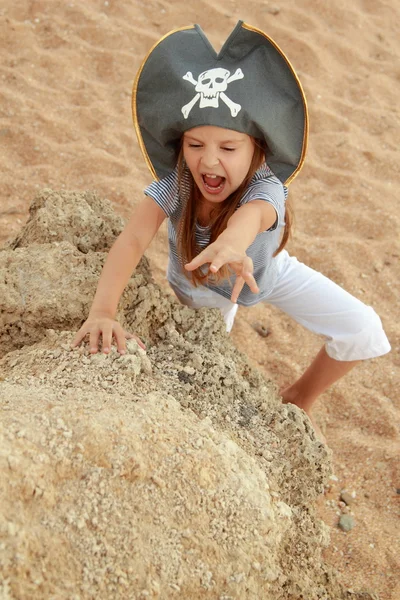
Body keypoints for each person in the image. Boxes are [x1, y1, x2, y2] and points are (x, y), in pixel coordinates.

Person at [72, 22, 390, 438]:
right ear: (180, 146)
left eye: (227, 148)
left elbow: (252, 218)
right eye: (195, 145)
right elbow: (132, 239)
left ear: (256, 148)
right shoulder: (178, 184)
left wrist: (232, 245)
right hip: (201, 289)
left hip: (264, 274)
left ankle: (299, 397)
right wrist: (103, 312)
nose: (208, 162)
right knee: (202, 374)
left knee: (363, 329)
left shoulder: (266, 187)